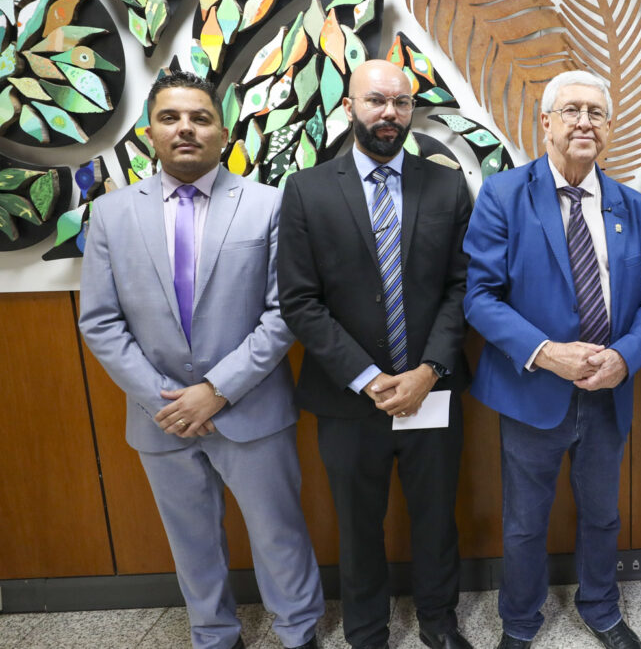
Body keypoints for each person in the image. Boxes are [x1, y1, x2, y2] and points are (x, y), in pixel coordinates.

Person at [79, 71, 323, 649]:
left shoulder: (268, 205)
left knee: (278, 533)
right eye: (170, 118)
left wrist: (216, 390)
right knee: (190, 540)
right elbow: (100, 321)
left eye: (200, 118)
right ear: (150, 133)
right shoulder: (111, 214)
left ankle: (298, 631)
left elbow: (284, 312)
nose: (185, 128)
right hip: (161, 415)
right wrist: (164, 399)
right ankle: (213, 634)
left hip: (251, 407)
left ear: (223, 132)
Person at [463, 70, 641, 649]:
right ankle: (520, 621)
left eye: (596, 113)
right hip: (532, 392)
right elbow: (480, 297)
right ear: (546, 122)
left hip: (607, 393)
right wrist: (546, 353)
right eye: (572, 110)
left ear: (609, 127)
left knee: (603, 516)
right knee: (525, 523)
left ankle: (601, 608)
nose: (584, 121)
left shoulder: (636, 208)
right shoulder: (504, 195)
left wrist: (625, 358)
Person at [276, 60, 474, 649]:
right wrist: (366, 376)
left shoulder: (445, 185)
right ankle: (366, 632)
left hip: (431, 389)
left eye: (401, 102)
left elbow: (463, 287)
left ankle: (439, 622)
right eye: (376, 101)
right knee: (358, 525)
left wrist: (428, 370)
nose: (390, 113)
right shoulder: (307, 190)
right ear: (350, 107)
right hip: (348, 397)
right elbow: (300, 301)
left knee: (436, 517)